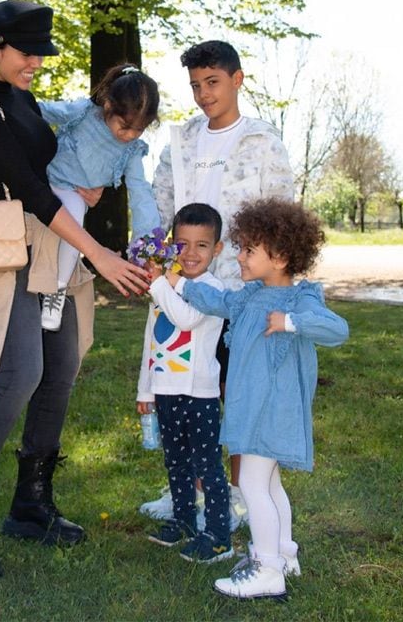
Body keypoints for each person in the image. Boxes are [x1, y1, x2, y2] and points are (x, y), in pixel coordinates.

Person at [0, 0, 150, 580]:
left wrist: (92, 188)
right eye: (27, 53)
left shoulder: (22, 99)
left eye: (39, 55)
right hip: (12, 249)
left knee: (61, 369)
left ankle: (30, 504)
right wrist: (99, 250)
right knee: (20, 372)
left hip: (56, 246)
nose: (37, 65)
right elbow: (25, 188)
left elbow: (58, 164)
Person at [163, 198, 349, 600]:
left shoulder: (300, 299)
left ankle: (266, 570)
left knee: (250, 482)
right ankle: (284, 553)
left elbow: (337, 330)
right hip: (253, 408)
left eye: (249, 250)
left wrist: (291, 322)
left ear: (279, 256)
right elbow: (217, 301)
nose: (240, 257)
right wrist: (177, 282)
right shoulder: (248, 297)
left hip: (272, 410)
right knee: (270, 483)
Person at [142, 40, 294, 529]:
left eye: (212, 82)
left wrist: (276, 286)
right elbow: (159, 207)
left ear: (237, 79)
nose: (204, 95)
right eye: (195, 86)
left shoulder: (262, 141)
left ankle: (233, 498)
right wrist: (150, 260)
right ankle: (187, 491)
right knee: (182, 395)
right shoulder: (181, 141)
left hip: (240, 294)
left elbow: (282, 215)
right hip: (184, 291)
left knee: (234, 396)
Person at [136, 203, 234, 564]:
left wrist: (160, 281)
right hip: (166, 392)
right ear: (172, 245)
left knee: (207, 465)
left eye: (202, 245)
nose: (190, 254)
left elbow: (186, 318)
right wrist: (145, 390)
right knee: (175, 462)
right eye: (182, 244)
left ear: (217, 249)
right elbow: (153, 338)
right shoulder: (165, 286)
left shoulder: (211, 288)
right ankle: (184, 520)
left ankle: (220, 535)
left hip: (200, 394)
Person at [38, 63, 162, 331]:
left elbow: (141, 193)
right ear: (108, 106)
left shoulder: (132, 152)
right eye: (125, 126)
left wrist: (146, 241)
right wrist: (13, 105)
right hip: (42, 178)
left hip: (72, 193)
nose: (129, 135)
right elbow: (45, 111)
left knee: (74, 233)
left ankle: (56, 291)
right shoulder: (83, 114)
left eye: (139, 130)